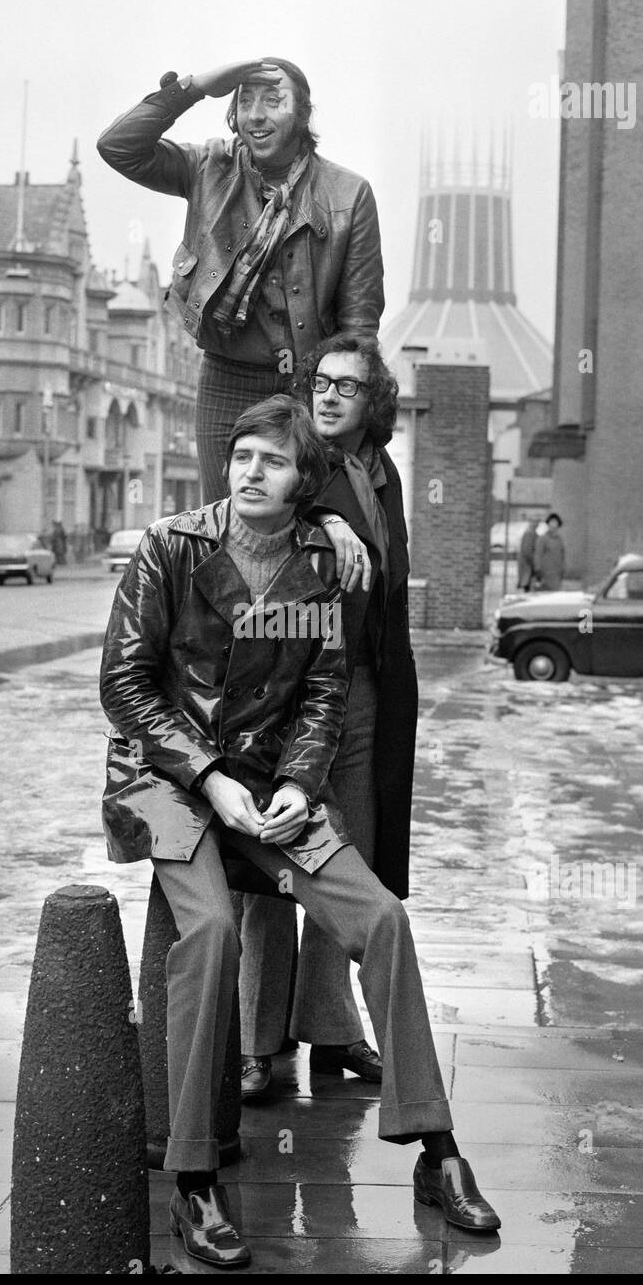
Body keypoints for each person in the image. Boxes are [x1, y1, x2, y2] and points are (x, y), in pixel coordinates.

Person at [99, 394, 501, 1269]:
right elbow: (125, 688)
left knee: (381, 919)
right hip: (169, 782)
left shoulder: (320, 560)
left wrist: (294, 783)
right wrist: (204, 776)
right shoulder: (171, 547)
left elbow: (322, 694)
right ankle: (195, 1182)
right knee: (208, 933)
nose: (249, 471)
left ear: (301, 481)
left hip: (268, 789)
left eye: (271, 461)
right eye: (241, 454)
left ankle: (436, 1150)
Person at [239, 336, 414, 1100]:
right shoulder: (296, 462)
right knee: (278, 859)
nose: (331, 394)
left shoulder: (382, 473)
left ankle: (331, 1028)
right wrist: (324, 524)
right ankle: (253, 1041)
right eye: (322, 381)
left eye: (350, 385)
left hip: (368, 688)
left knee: (350, 858)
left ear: (375, 401)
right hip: (293, 689)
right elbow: (260, 521)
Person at [96, 57, 384, 520]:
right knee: (225, 526)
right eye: (245, 100)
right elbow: (118, 147)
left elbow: (359, 328)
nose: (256, 114)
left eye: (273, 100)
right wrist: (192, 87)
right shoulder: (208, 166)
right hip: (225, 381)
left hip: (306, 388)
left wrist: (344, 412)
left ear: (302, 114)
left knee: (306, 525)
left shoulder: (348, 195)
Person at [534, 512, 566, 591]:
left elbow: (562, 555)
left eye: (555, 523)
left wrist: (563, 569)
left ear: (558, 525)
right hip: (545, 575)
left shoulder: (560, 540)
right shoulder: (543, 539)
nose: (553, 525)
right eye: (551, 522)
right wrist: (538, 572)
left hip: (557, 574)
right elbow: (538, 555)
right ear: (548, 524)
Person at [516, 519, 539, 592]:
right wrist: (534, 562)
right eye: (534, 522)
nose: (535, 524)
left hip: (528, 564)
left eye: (537, 522)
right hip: (528, 565)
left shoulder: (533, 533)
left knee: (529, 585)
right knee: (528, 585)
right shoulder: (529, 533)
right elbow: (527, 551)